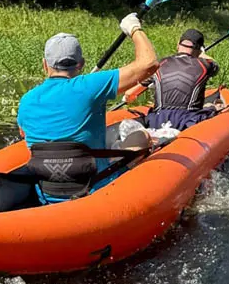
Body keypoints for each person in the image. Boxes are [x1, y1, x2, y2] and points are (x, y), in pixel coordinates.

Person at [17, 13, 158, 202]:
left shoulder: (26, 100)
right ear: (81, 64)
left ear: (45, 65)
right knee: (142, 136)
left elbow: (25, 135)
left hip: (48, 194)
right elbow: (149, 64)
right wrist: (134, 28)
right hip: (96, 191)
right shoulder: (90, 85)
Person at [124, 28, 220, 132]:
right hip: (189, 121)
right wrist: (201, 54)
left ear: (178, 45)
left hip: (157, 120)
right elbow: (215, 66)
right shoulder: (205, 65)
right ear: (199, 49)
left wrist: (128, 97)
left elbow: (130, 93)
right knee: (213, 106)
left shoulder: (159, 64)